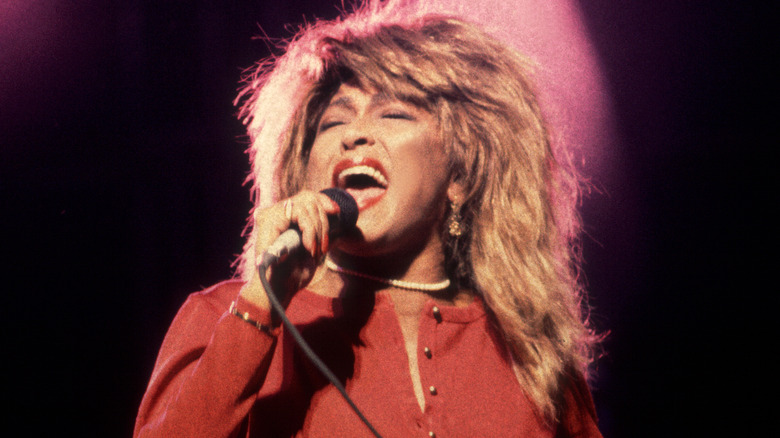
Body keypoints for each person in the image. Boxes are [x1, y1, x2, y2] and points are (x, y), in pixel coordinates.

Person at [134, 1, 602, 436]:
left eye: (393, 115)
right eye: (333, 122)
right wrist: (260, 308)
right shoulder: (224, 316)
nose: (354, 135)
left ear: (460, 174)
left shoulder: (529, 351)